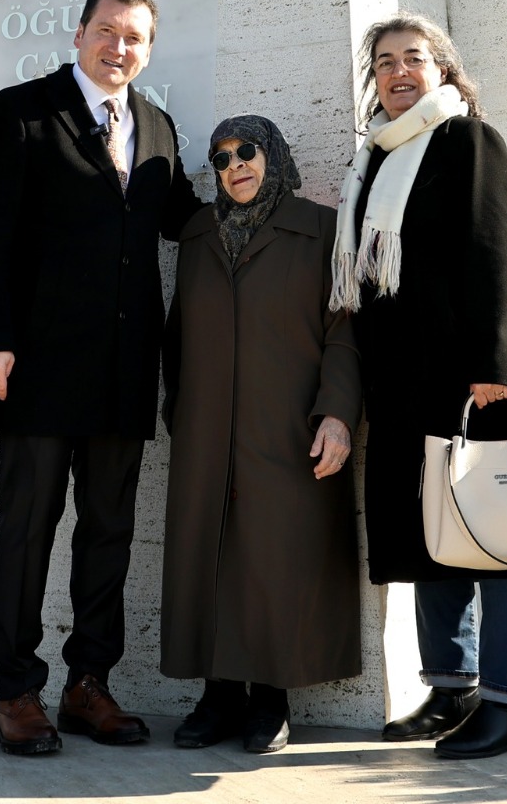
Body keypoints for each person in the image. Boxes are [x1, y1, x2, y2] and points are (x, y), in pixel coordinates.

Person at [0, 0, 201, 755]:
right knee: (27, 530)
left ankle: (87, 685)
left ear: (149, 49)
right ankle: (17, 691)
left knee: (109, 533)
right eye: (107, 31)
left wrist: (279, 215)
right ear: (79, 34)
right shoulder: (20, 112)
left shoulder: (159, 127)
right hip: (36, 365)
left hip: (126, 371)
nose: (119, 47)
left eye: (134, 37)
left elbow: (185, 221)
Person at [331, 14, 507, 760]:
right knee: (435, 538)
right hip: (403, 385)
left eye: (415, 59)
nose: (400, 72)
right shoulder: (375, 158)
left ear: (444, 69)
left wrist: (492, 365)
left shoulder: (468, 140)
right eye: (386, 61)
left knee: (499, 543)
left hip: (473, 381)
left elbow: (497, 251)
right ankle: (452, 687)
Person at [160, 116, 360, 754]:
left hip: (287, 428)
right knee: (211, 557)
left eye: (247, 152)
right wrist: (181, 411)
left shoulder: (319, 229)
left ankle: (269, 700)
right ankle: (218, 696)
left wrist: (337, 414)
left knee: (275, 561)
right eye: (221, 159)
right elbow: (177, 334)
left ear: (273, 155)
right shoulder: (197, 235)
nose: (235, 166)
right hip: (207, 429)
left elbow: (345, 333)